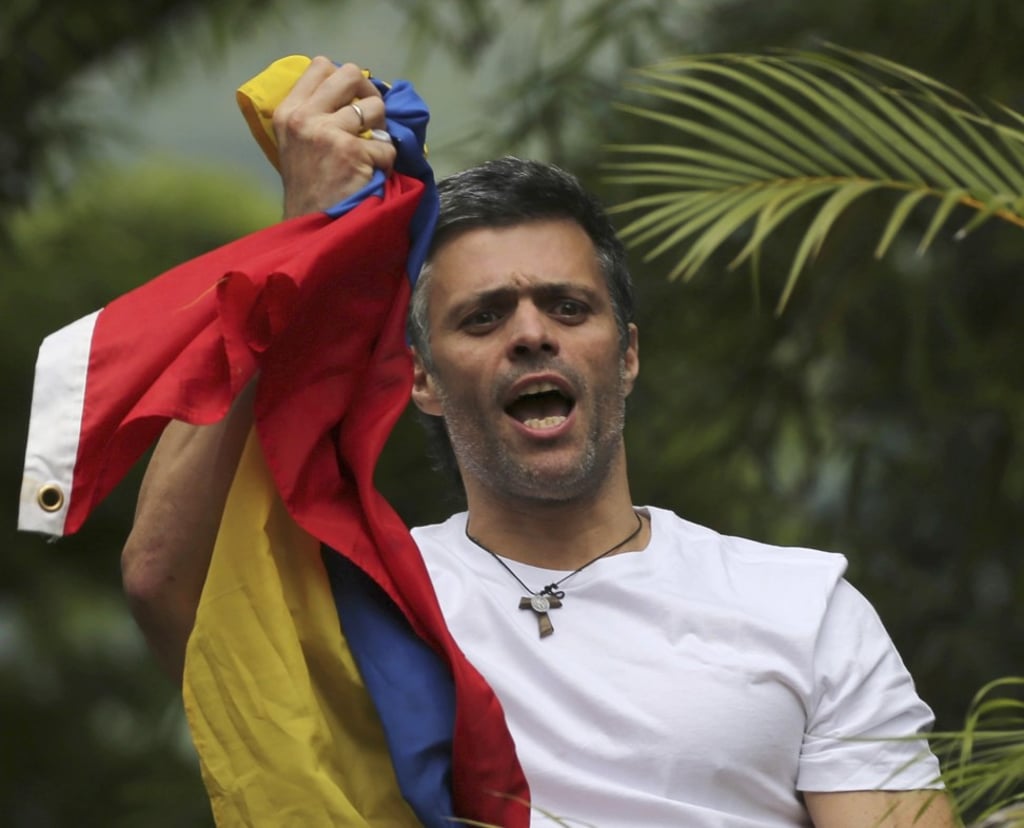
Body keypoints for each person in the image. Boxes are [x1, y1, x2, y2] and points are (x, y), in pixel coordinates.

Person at [121, 58, 959, 827]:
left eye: (567, 306)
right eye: (482, 317)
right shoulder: (366, 609)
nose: (530, 334)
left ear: (626, 354)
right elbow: (164, 578)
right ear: (419, 379)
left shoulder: (802, 606)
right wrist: (296, 253)